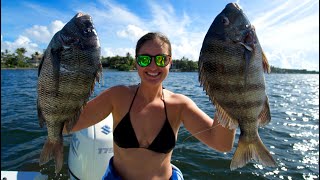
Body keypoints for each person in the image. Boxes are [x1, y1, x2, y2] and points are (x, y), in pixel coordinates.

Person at [66, 32, 236, 180]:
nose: (153, 66)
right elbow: (66, 125)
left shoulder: (180, 105)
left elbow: (221, 143)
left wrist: (228, 90)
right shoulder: (117, 96)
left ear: (170, 62)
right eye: (145, 59)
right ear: (136, 62)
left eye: (161, 59)